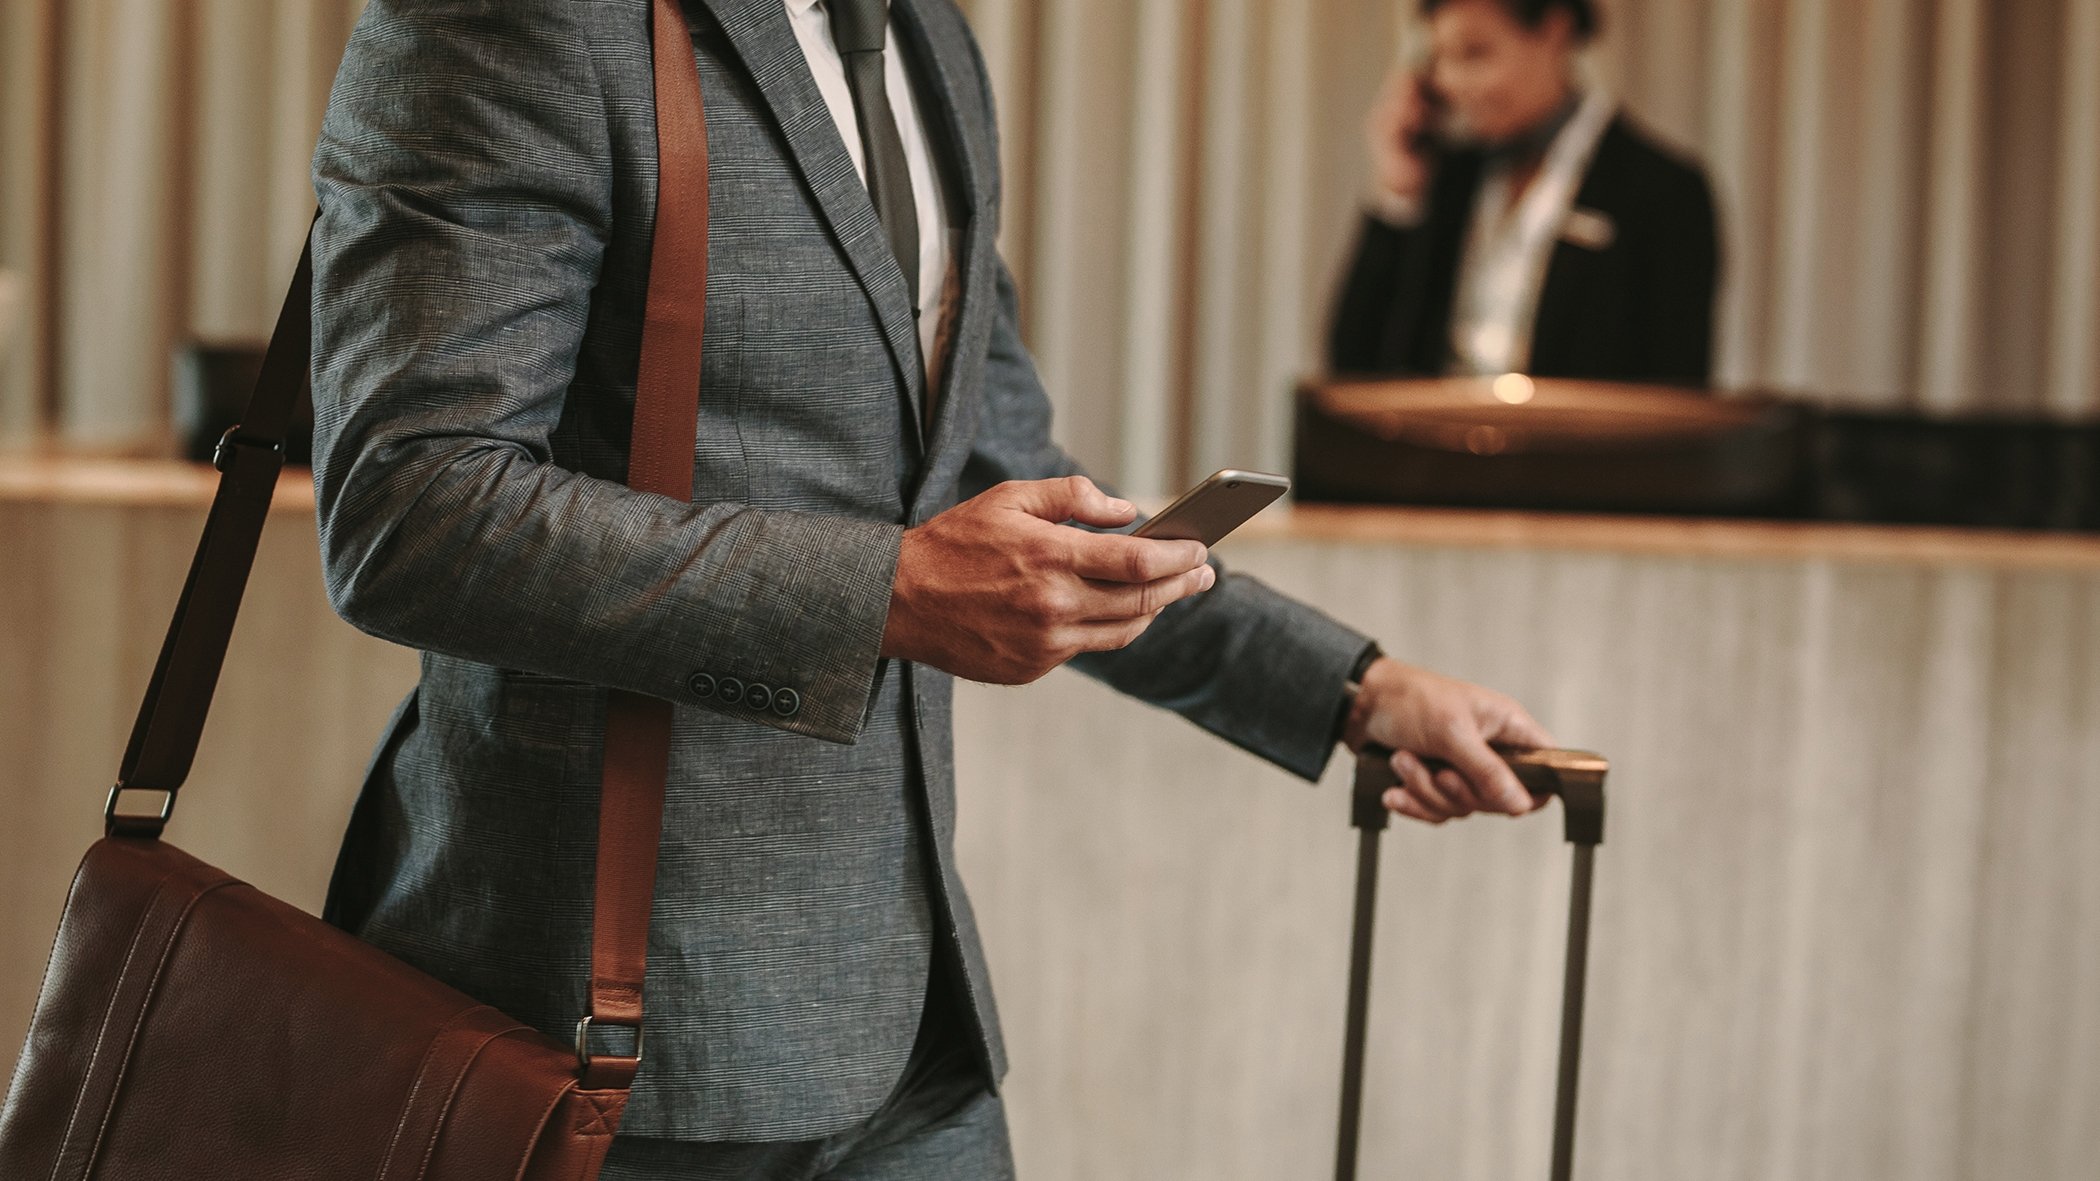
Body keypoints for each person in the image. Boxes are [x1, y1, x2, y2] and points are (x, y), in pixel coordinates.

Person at [308, 0, 1554, 1175]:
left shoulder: (931, 43)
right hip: (614, 1031)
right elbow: (411, 508)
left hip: (913, 1024)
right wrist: (887, 592)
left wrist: (1353, 690)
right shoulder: (514, 19)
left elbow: (1008, 468)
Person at [1329, 0, 1722, 386]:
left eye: (1474, 54)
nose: (1450, 81)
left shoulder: (1661, 191)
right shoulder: (1448, 179)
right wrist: (1399, 192)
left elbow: (1673, 400)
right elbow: (1354, 365)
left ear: (1554, 30)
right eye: (1439, 60)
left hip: (1571, 447)